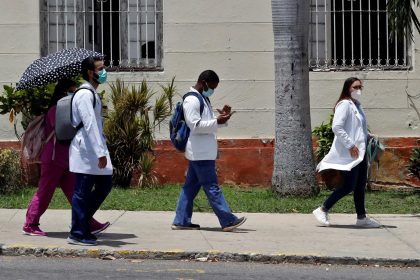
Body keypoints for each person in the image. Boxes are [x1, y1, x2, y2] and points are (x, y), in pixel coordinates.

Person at [23, 79, 109, 236]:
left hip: (67, 158)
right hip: (54, 158)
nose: (74, 94)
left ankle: (87, 222)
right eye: (71, 91)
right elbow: (64, 131)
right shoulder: (55, 110)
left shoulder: (68, 109)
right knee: (45, 192)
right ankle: (30, 223)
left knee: (75, 192)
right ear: (63, 93)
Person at [172, 70, 246, 232]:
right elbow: (195, 125)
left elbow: (208, 124)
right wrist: (216, 121)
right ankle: (227, 220)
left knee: (190, 187)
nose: (212, 90)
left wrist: (222, 119)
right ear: (204, 82)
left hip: (202, 151)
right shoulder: (192, 100)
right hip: (200, 153)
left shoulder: (203, 98)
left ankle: (181, 220)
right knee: (212, 187)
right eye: (212, 87)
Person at [312, 77, 381, 228]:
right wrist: (350, 145)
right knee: (349, 185)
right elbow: (337, 127)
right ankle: (322, 209)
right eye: (355, 87)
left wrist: (368, 137)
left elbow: (357, 128)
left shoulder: (356, 105)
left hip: (360, 152)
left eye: (360, 87)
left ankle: (361, 218)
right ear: (347, 88)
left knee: (360, 184)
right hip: (352, 152)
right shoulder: (344, 104)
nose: (358, 90)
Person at [67, 57, 113, 246]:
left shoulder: (91, 93)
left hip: (92, 149)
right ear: (89, 72)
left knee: (104, 185)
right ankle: (77, 232)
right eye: (100, 69)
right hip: (86, 150)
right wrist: (100, 152)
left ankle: (83, 224)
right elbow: (90, 125)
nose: (104, 72)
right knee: (82, 192)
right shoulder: (85, 94)